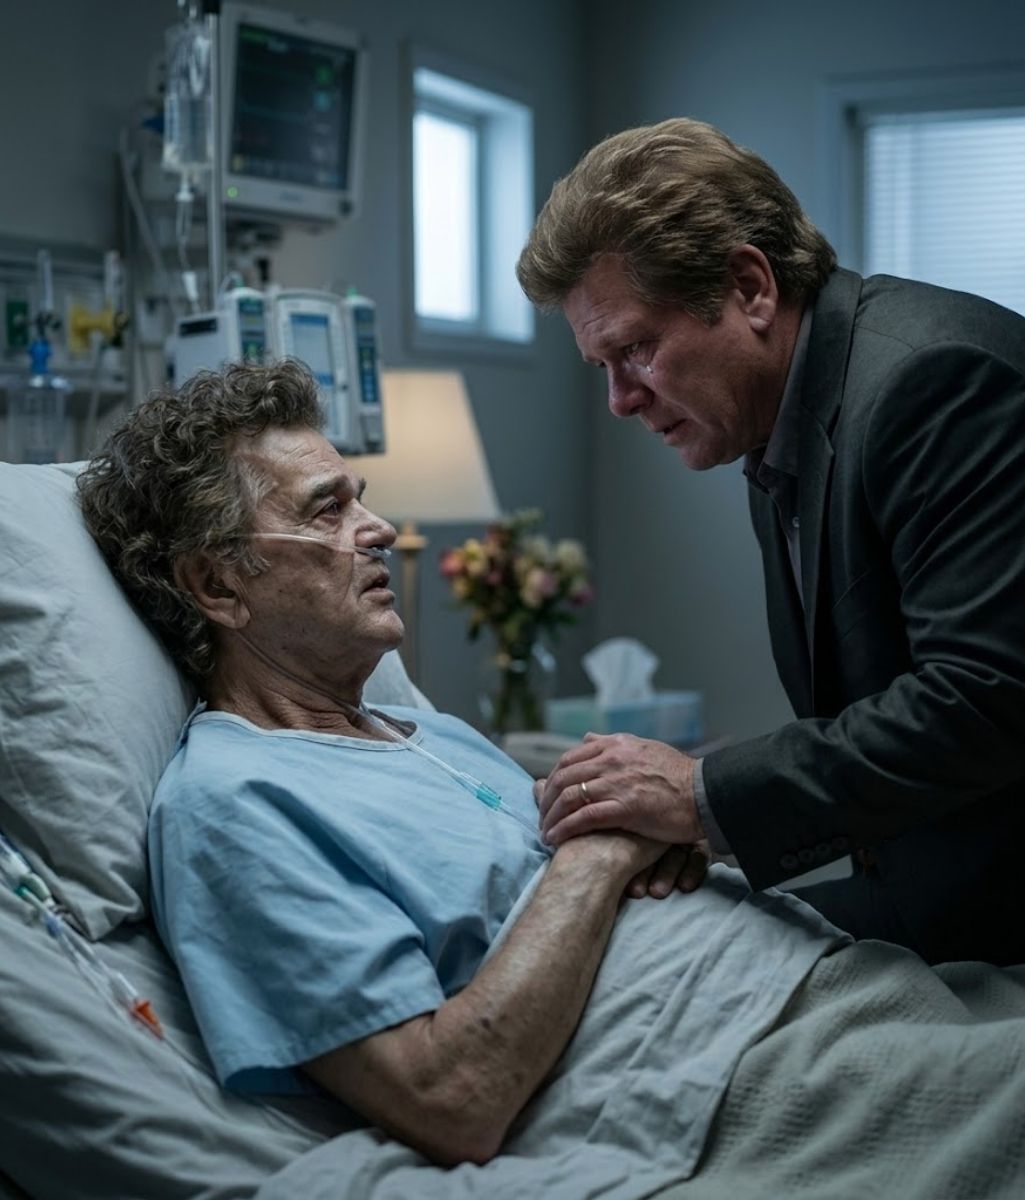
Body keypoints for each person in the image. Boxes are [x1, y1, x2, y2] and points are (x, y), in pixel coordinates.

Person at [76, 361, 843, 1173]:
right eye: (328, 511)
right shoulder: (232, 804)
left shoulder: (429, 733)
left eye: (360, 499)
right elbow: (450, 1098)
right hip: (744, 1077)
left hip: (807, 989)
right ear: (218, 585)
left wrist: (652, 833)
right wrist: (602, 852)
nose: (378, 528)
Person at [515, 116, 1025, 967]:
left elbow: (983, 699)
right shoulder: (775, 423)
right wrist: (702, 819)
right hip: (934, 883)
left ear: (749, 287)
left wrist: (701, 794)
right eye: (601, 366)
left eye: (635, 349)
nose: (620, 400)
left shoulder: (932, 383)